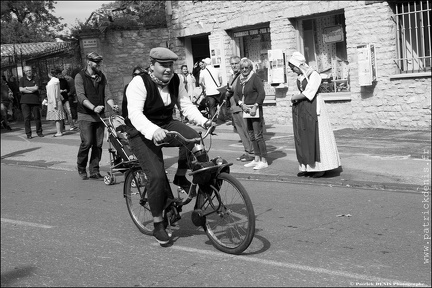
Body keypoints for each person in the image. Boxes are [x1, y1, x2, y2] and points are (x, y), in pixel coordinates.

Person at [125, 47, 213, 245]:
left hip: (166, 124)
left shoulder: (176, 80)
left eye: (170, 65)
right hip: (141, 131)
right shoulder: (138, 83)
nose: (167, 69)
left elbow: (186, 105)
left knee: (193, 139)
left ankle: (184, 180)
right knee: (156, 176)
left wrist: (203, 121)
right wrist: (152, 130)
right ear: (152, 65)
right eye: (163, 65)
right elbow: (135, 114)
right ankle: (158, 225)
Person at [288, 52, 341, 178]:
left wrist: (294, 97)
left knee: (317, 136)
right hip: (303, 108)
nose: (293, 70)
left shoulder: (314, 75)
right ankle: (307, 166)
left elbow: (309, 93)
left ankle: (321, 167)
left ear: (299, 65)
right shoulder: (301, 77)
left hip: (314, 108)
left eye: (293, 67)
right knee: (305, 136)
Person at [75, 51, 119, 180]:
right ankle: (81, 167)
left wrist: (112, 105)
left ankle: (94, 170)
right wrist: (93, 107)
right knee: (87, 142)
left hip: (99, 115)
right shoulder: (80, 76)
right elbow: (80, 96)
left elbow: (107, 94)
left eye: (99, 62)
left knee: (98, 144)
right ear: (88, 62)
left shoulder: (101, 76)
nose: (98, 64)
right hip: (85, 115)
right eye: (96, 62)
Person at [233, 57, 268, 170]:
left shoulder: (254, 78)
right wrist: (240, 104)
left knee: (258, 135)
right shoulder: (240, 79)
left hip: (255, 109)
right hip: (246, 109)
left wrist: (256, 106)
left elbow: (261, 93)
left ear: (250, 68)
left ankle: (264, 160)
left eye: (246, 68)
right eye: (242, 68)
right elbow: (236, 94)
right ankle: (256, 158)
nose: (244, 70)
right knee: (251, 135)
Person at [226, 56, 254, 162]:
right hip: (234, 107)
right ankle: (247, 151)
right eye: (232, 64)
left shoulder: (242, 75)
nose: (234, 66)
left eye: (236, 63)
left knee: (247, 131)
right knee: (241, 133)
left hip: (242, 107)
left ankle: (252, 152)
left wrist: (231, 90)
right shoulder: (231, 76)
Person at [19, 66, 43, 139]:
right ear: (24, 72)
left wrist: (26, 88)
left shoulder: (36, 78)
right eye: (27, 71)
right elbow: (20, 89)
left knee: (37, 117)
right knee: (26, 118)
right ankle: (28, 134)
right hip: (25, 101)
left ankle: (39, 132)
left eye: (30, 70)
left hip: (34, 101)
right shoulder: (22, 79)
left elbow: (36, 88)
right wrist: (31, 90)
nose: (29, 72)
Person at [45, 68, 66, 137]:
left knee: (56, 118)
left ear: (49, 75)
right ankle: (61, 131)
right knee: (59, 117)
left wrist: (53, 103)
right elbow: (58, 92)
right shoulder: (57, 81)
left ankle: (58, 132)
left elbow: (51, 94)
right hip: (58, 100)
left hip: (54, 101)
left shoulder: (51, 83)